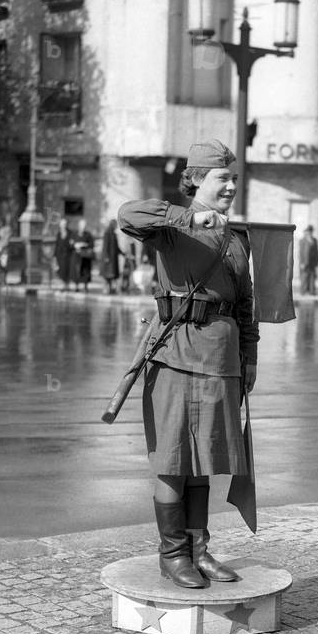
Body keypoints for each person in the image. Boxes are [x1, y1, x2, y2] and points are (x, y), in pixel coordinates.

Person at [117, 138, 259, 588]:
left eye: (234, 178)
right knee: (174, 462)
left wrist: (249, 358)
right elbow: (127, 214)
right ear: (196, 180)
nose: (231, 186)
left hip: (221, 363)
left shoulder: (237, 241)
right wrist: (186, 216)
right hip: (176, 359)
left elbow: (245, 306)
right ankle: (172, 554)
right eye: (222, 178)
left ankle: (199, 548)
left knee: (204, 462)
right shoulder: (172, 228)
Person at [71, 217, 94, 291]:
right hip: (77, 256)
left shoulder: (88, 235)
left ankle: (85, 286)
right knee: (77, 271)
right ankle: (76, 286)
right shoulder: (74, 234)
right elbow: (70, 244)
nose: (83, 227)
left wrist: (85, 244)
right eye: (82, 225)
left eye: (84, 226)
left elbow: (91, 244)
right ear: (79, 226)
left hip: (85, 256)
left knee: (86, 271)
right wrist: (75, 245)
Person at [101, 219, 121, 294]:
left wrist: (122, 253)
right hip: (108, 259)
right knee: (108, 275)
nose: (116, 226)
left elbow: (116, 247)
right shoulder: (107, 233)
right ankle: (107, 289)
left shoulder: (114, 234)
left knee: (113, 275)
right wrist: (106, 256)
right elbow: (105, 246)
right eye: (116, 225)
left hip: (114, 258)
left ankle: (112, 289)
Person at [299, 225, 318, 295]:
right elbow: (301, 253)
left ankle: (312, 291)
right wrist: (302, 262)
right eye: (308, 232)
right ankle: (303, 291)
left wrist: (317, 262)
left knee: (312, 277)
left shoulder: (314, 240)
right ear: (306, 232)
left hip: (312, 262)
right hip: (305, 262)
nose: (309, 233)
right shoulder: (302, 241)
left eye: (310, 232)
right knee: (304, 277)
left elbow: (317, 252)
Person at [53, 219, 74, 289]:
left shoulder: (70, 233)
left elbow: (72, 243)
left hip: (68, 255)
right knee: (60, 270)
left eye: (64, 224)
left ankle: (66, 285)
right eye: (62, 224)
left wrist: (71, 244)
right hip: (60, 255)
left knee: (67, 270)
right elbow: (57, 245)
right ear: (60, 225)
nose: (63, 226)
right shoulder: (59, 234)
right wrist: (54, 256)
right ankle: (64, 285)